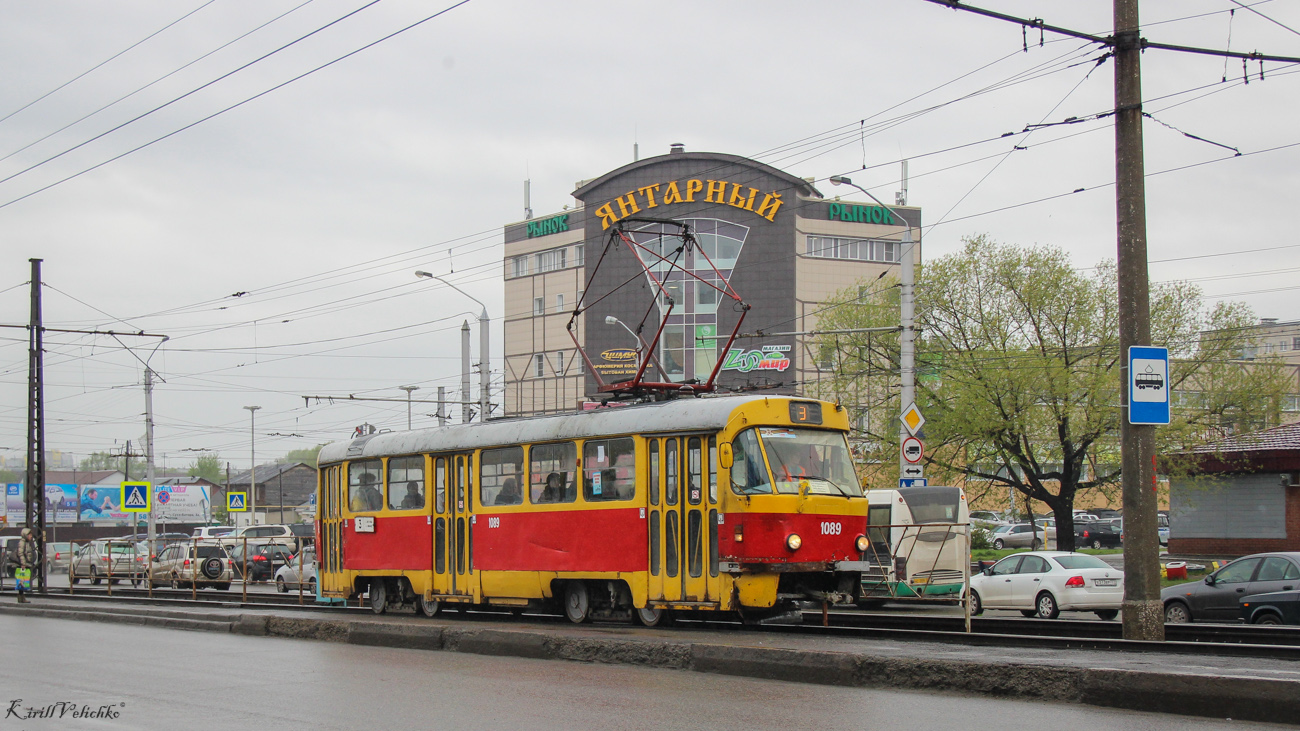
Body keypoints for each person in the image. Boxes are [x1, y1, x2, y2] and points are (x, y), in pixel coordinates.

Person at [16, 528, 36, 603]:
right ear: (25, 535)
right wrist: (23, 563)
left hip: (26, 564)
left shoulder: (26, 543)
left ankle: (21, 597)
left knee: (23, 581)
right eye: (29, 535)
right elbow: (20, 553)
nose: (31, 536)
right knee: (22, 581)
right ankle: (21, 598)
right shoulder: (22, 543)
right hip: (23, 565)